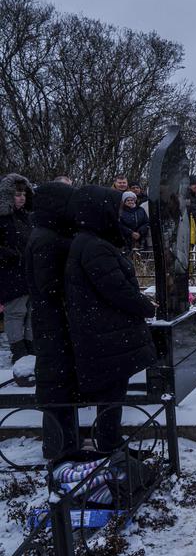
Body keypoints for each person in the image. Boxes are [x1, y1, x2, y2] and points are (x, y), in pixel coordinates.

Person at [65, 185, 157, 452]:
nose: (118, 214)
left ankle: (111, 444)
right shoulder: (94, 247)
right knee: (111, 396)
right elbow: (116, 290)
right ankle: (110, 447)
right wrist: (146, 306)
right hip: (106, 334)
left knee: (112, 397)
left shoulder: (90, 242)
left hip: (105, 331)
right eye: (114, 208)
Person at [24, 181, 79, 458]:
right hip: (52, 324)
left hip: (54, 322)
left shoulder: (48, 234)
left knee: (61, 384)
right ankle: (59, 447)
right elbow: (50, 286)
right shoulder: (46, 239)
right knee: (56, 384)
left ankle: (66, 441)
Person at [0, 173, 34, 364]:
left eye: (23, 194)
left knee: (31, 310)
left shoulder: (26, 217)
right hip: (10, 271)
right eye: (17, 194)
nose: (21, 197)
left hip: (28, 270)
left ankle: (31, 347)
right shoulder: (2, 218)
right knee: (16, 312)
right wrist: (8, 254)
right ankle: (19, 350)